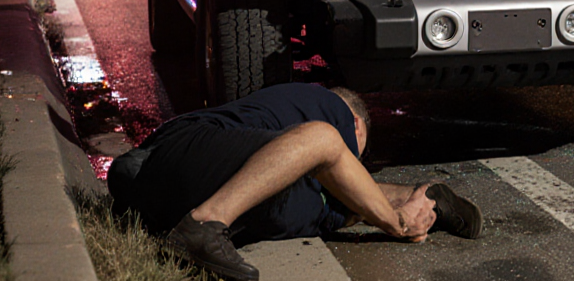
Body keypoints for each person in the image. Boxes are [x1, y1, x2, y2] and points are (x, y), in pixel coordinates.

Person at [108, 83, 482, 281]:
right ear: (355, 122)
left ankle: (420, 197)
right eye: (358, 152)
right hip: (181, 151)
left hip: (159, 193)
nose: (354, 161)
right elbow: (331, 155)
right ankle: (205, 224)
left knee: (310, 208)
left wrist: (410, 199)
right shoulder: (328, 105)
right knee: (323, 141)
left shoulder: (279, 148)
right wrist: (396, 224)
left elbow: (340, 191)